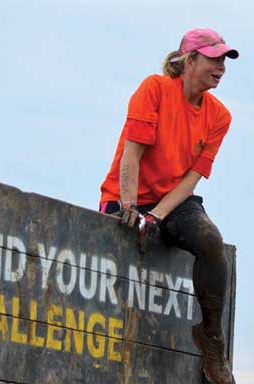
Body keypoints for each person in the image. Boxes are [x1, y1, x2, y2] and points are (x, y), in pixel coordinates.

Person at [99, 28, 238, 384]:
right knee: (116, 265)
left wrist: (157, 216)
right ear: (189, 60)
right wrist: (130, 207)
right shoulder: (155, 89)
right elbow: (132, 153)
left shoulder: (219, 116)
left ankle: (211, 337)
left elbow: (191, 179)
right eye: (214, 58)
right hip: (128, 194)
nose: (220, 66)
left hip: (172, 202)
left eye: (224, 59)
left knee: (210, 241)